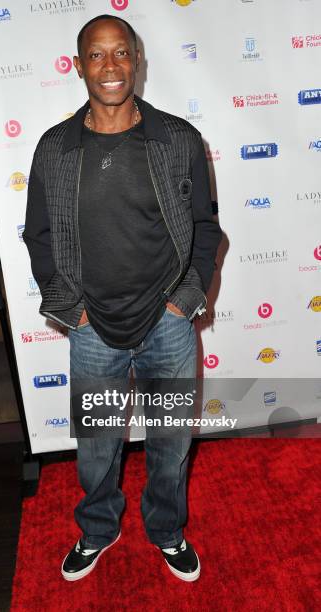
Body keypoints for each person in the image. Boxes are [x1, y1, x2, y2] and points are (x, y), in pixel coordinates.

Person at [23, 14, 222, 582]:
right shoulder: (54, 149)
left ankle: (166, 530)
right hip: (92, 330)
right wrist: (72, 310)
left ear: (136, 59)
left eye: (120, 53)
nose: (109, 66)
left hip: (168, 323)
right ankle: (98, 530)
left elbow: (206, 228)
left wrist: (187, 298)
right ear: (79, 64)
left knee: (170, 444)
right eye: (96, 55)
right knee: (96, 448)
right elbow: (39, 237)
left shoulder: (177, 138)